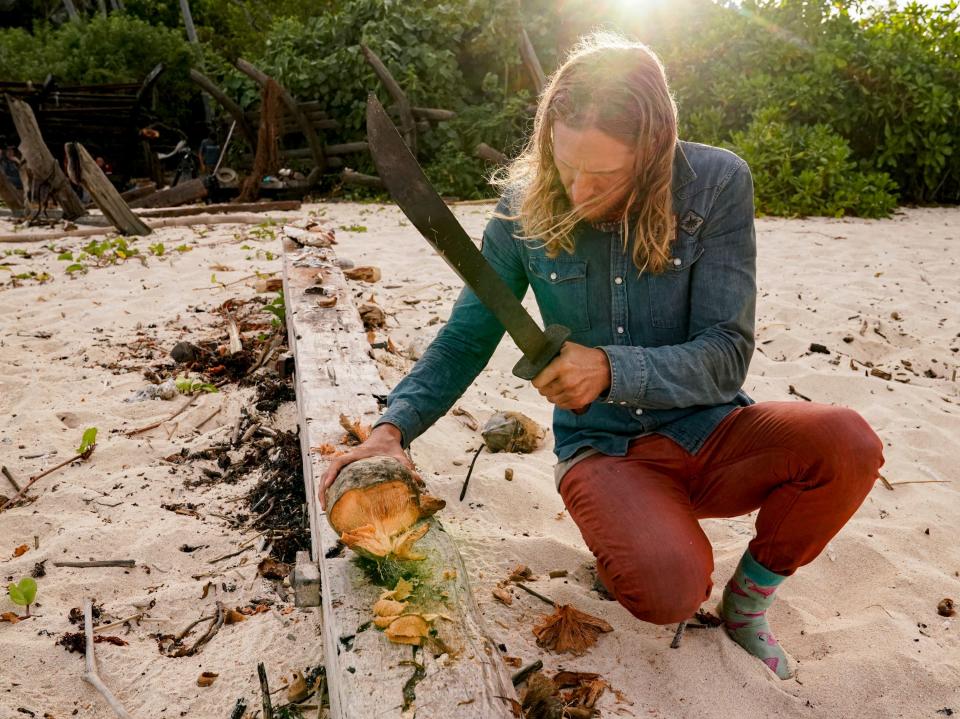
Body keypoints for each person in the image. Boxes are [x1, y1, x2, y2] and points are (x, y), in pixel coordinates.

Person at [320, 32, 884, 680]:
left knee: (848, 443)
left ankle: (746, 605)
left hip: (712, 430)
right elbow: (466, 336)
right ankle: (640, 536)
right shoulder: (523, 205)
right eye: (566, 166)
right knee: (670, 590)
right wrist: (392, 431)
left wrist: (610, 368)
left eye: (605, 174)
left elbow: (727, 355)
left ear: (653, 152)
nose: (579, 189)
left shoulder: (717, 184)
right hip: (604, 451)